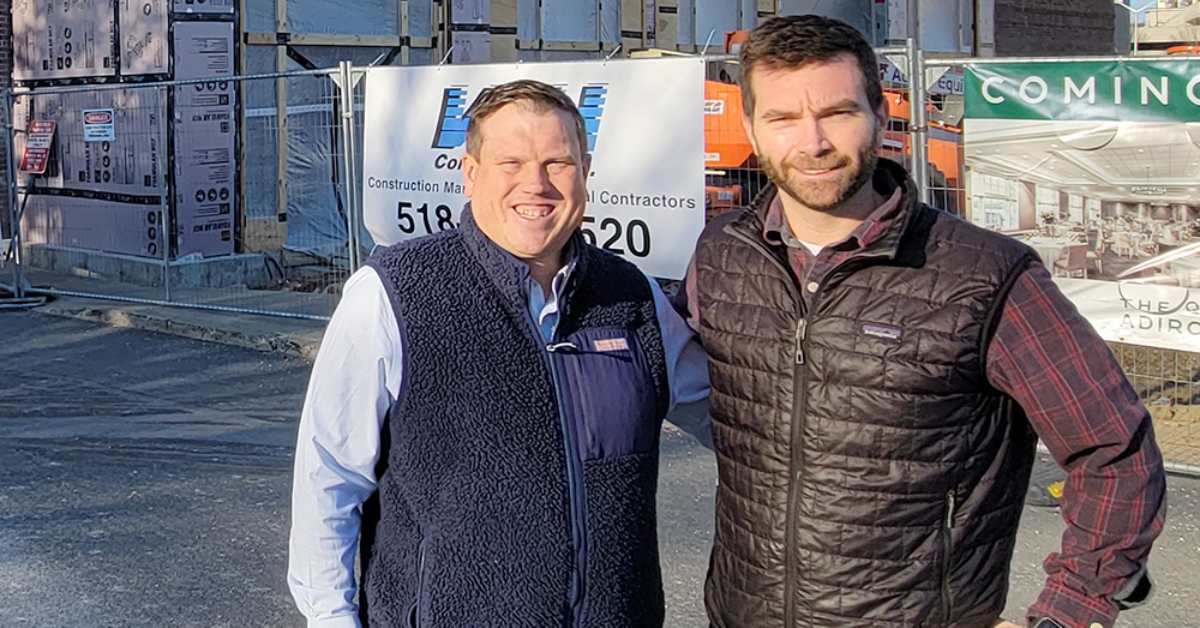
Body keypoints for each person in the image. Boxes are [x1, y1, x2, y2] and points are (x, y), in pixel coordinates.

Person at [675, 16, 1166, 628]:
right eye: (783, 119)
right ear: (750, 126)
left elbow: (1113, 448)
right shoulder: (724, 253)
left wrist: (1072, 610)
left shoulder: (986, 276)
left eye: (837, 112)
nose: (814, 142)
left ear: (881, 115)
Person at [288, 79, 709, 627]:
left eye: (557, 163)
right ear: (470, 173)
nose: (535, 185)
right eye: (510, 162)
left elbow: (736, 423)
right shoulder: (393, 294)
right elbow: (330, 476)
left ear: (586, 170)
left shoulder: (631, 296)